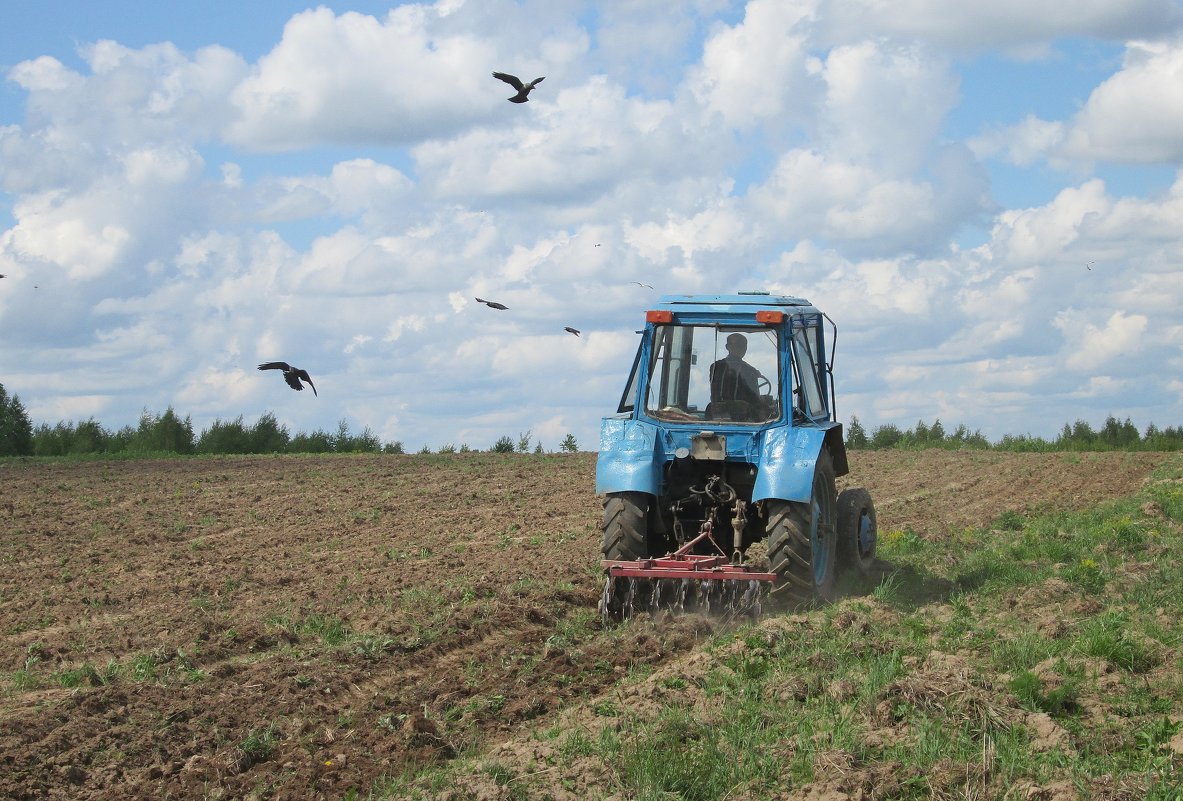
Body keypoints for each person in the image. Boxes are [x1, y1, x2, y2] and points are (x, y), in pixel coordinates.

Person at [709, 333, 764, 412]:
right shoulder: (749, 370)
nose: (740, 349)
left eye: (743, 346)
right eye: (737, 345)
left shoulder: (715, 366)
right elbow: (755, 399)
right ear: (727, 347)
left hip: (715, 411)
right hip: (740, 414)